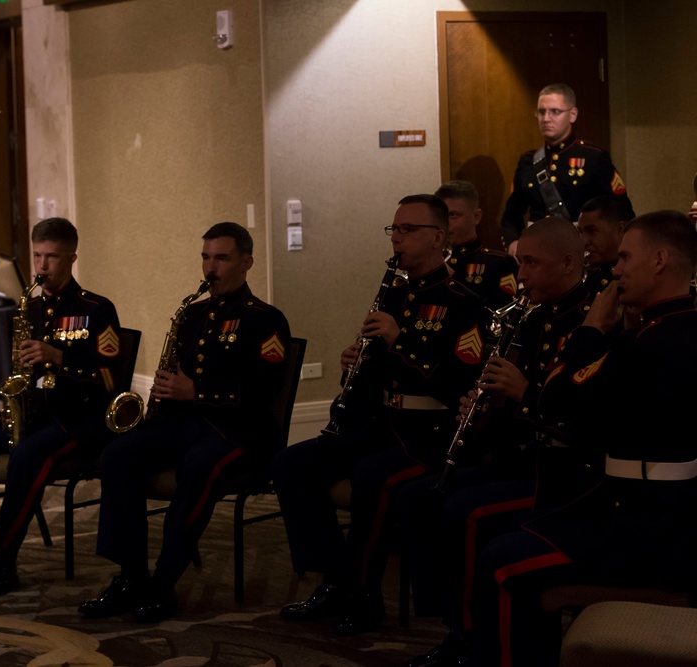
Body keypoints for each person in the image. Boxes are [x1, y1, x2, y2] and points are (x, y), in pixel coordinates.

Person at [471, 210, 697, 667]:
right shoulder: (673, 329)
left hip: (652, 532)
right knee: (518, 530)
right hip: (658, 513)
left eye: (626, 257)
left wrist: (591, 327)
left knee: (502, 560)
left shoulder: (649, 345)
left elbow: (556, 395)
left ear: (659, 260)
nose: (616, 268)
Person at [272, 195, 488, 636]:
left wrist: (397, 340)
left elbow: (458, 382)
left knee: (374, 477)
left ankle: (364, 592)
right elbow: (381, 375)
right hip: (381, 424)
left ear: (439, 238)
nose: (398, 239)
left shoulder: (464, 303)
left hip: (431, 433)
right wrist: (356, 364)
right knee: (291, 464)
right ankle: (331, 578)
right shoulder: (396, 291)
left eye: (408, 230)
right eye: (394, 230)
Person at [401, 217, 598, 667]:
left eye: (532, 263)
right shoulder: (530, 320)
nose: (522, 276)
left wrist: (522, 394)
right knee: (424, 496)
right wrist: (486, 411)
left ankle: (471, 636)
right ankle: (452, 619)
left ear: (569, 262)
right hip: (522, 457)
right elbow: (513, 417)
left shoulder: (592, 322)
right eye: (519, 262)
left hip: (567, 471)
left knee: (466, 512)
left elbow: (580, 421)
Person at [78, 221, 291, 623]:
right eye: (206, 257)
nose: (210, 268)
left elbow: (262, 392)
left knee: (198, 468)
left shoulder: (266, 320)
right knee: (117, 455)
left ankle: (164, 580)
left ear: (246, 262)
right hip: (183, 424)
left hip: (238, 431)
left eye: (222, 258)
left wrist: (197, 392)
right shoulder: (193, 314)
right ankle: (131, 576)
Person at [0, 217, 121, 597]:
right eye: (37, 256)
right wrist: (5, 400)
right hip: (31, 416)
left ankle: (6, 558)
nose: (42, 266)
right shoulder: (29, 309)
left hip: (76, 421)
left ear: (71, 258)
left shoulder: (97, 309)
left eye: (51, 257)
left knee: (27, 457)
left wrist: (60, 358)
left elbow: (112, 380)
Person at [500, 83, 633, 256]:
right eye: (541, 112)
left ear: (573, 115)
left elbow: (622, 212)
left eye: (555, 111)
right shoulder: (528, 161)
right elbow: (511, 216)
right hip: (536, 252)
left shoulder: (593, 157)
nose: (546, 118)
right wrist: (512, 242)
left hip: (580, 251)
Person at [435, 180, 518, 309]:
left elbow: (499, 316)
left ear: (476, 217)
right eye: (440, 215)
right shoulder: (427, 259)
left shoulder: (501, 264)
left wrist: (453, 277)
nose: (445, 223)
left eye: (453, 215)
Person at [578, 194, 632, 294]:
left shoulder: (640, 278)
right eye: (581, 232)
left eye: (591, 231)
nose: (584, 241)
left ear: (620, 229)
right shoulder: (586, 281)